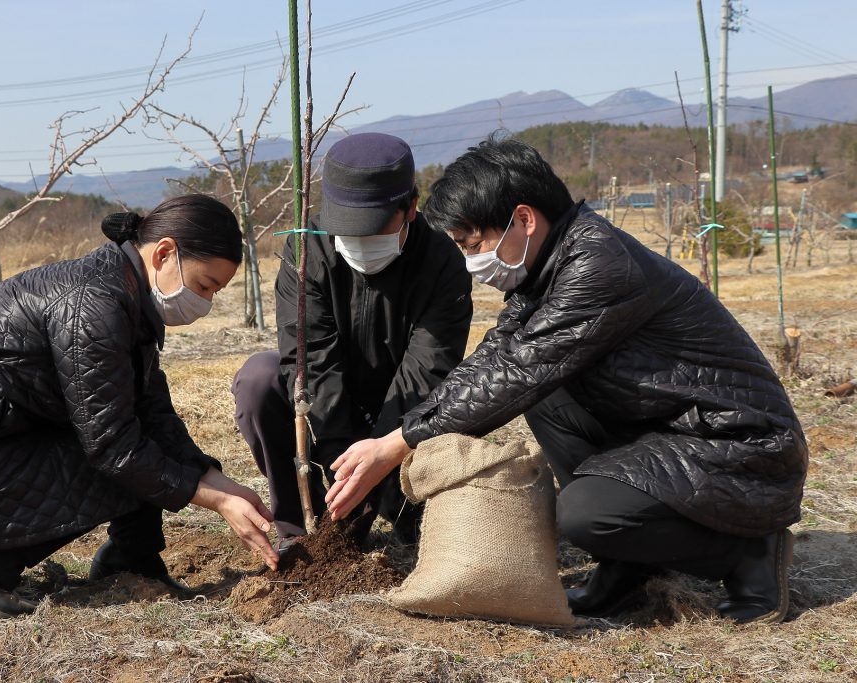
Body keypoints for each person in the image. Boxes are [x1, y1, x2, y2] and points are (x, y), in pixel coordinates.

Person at [325, 136, 808, 625]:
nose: (472, 262)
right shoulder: (546, 265)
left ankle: (748, 552)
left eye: (474, 244)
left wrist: (397, 443)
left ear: (524, 220)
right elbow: (497, 357)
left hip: (740, 445)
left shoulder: (596, 265)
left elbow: (518, 371)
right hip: (669, 426)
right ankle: (627, 568)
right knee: (548, 395)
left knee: (585, 516)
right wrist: (399, 434)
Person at [0, 194, 279, 618]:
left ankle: (133, 560)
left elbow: (150, 409)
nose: (205, 303)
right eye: (204, 285)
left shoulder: (124, 292)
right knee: (120, 457)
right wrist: (212, 498)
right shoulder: (95, 304)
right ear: (164, 253)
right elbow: (112, 445)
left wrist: (213, 478)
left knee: (140, 447)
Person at [232, 132, 473, 548]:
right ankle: (299, 532)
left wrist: (376, 458)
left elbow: (427, 372)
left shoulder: (441, 263)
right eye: (348, 230)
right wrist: (342, 457)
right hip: (331, 408)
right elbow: (311, 358)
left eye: (374, 230)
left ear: (411, 208)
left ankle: (405, 514)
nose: (359, 244)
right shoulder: (308, 249)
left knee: (429, 512)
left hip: (399, 420)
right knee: (259, 379)